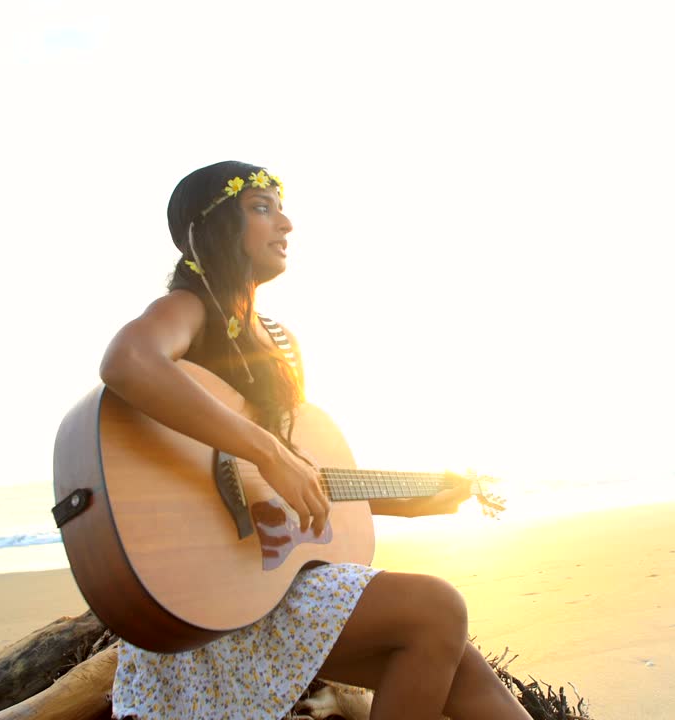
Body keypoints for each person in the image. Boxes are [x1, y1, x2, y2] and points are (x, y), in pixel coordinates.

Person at [97, 160, 530, 720]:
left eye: (280, 208)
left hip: (269, 583)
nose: (286, 223)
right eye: (261, 208)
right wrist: (268, 451)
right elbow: (128, 361)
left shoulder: (277, 341)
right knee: (437, 608)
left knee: (464, 670)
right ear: (211, 228)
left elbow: (293, 488)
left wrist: (416, 500)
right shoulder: (189, 308)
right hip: (213, 600)